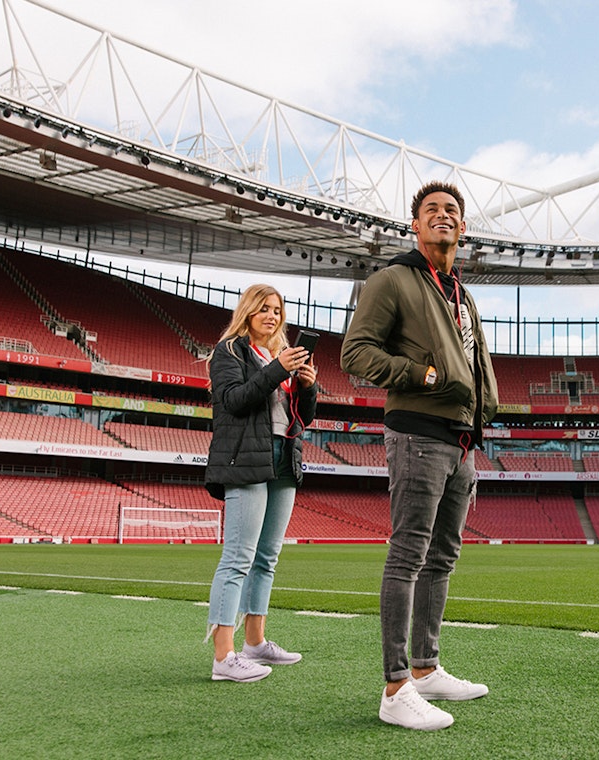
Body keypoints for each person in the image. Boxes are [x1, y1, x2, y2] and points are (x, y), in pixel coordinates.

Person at [341, 181, 499, 730]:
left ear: (463, 228)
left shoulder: (462, 292)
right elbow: (355, 352)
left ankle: (428, 667)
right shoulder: (392, 279)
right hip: (417, 434)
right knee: (408, 554)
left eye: (451, 210)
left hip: (460, 439)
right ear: (414, 225)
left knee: (443, 557)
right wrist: (422, 375)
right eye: (430, 210)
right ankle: (395, 686)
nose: (442, 216)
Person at [203, 283, 318, 682]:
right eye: (264, 308)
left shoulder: (277, 357)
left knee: (267, 558)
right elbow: (233, 400)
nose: (272, 315)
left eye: (277, 310)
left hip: (284, 458)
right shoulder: (229, 351)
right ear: (248, 312)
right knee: (238, 557)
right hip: (247, 459)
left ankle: (255, 643)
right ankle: (223, 656)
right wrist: (277, 370)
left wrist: (307, 386)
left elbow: (303, 416)